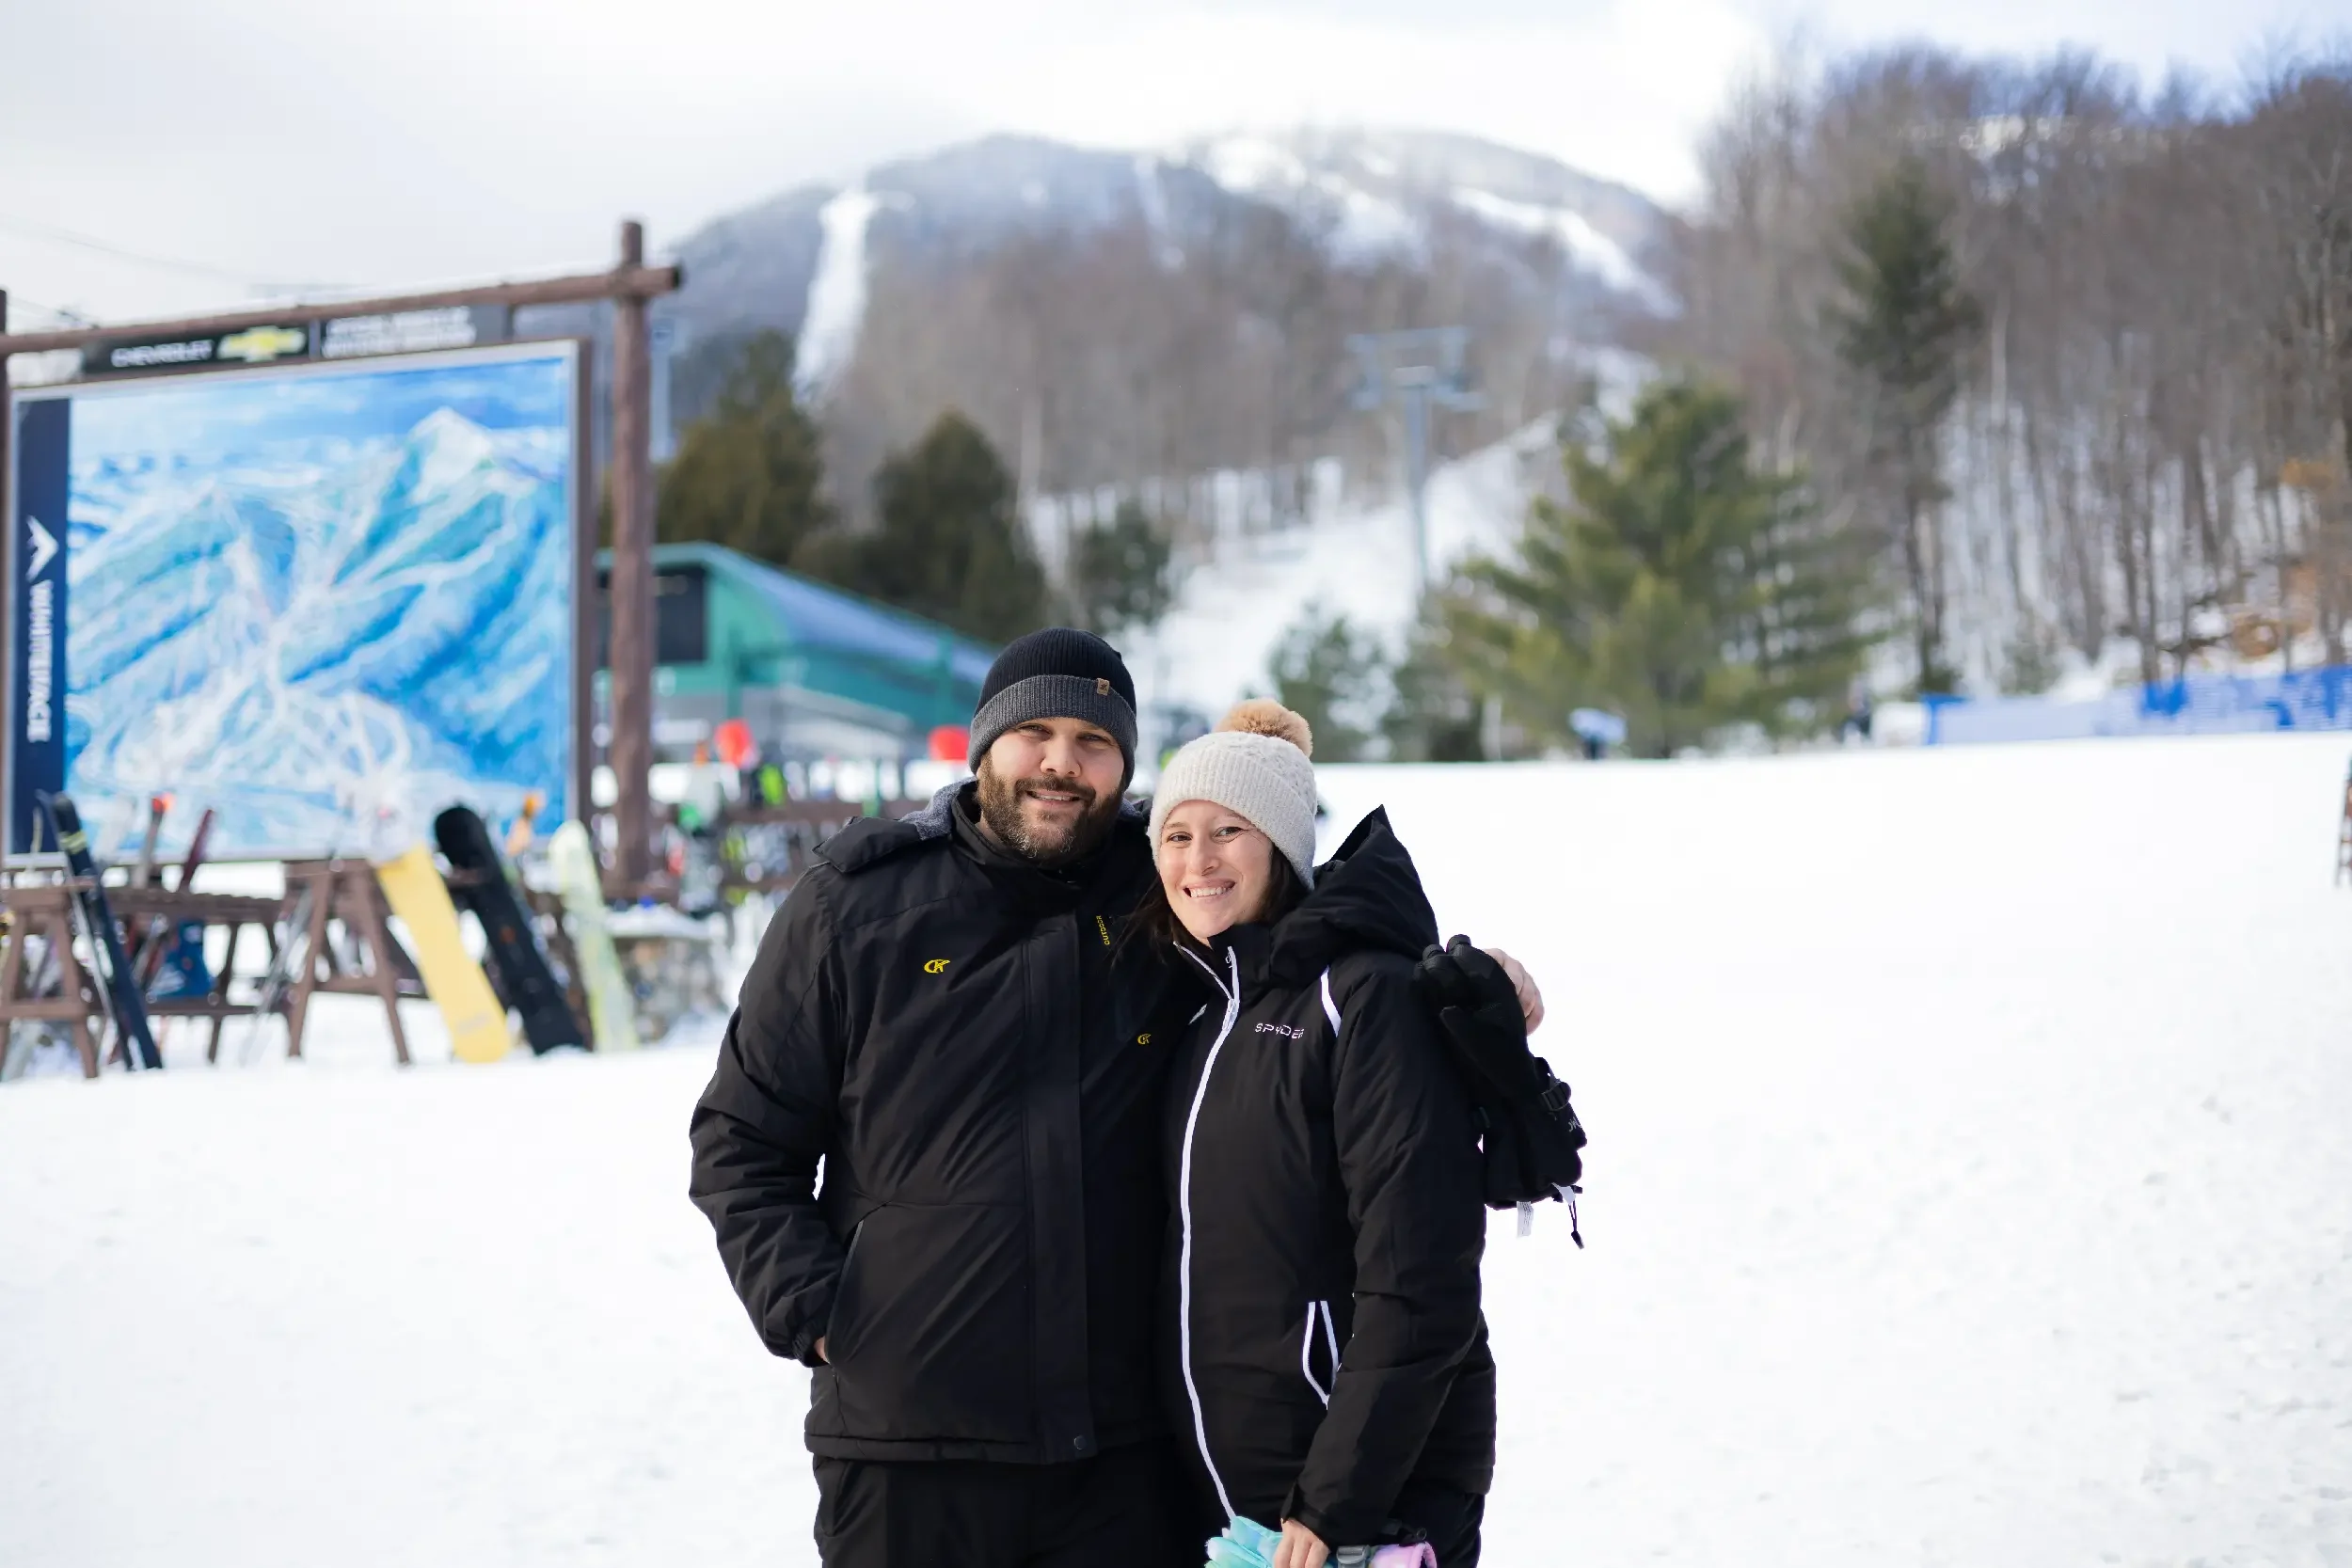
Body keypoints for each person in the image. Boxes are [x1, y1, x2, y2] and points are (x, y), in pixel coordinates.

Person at [689, 629, 1534, 1567]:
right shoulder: (858, 907)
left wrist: (1467, 977)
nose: (1061, 762)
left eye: (1094, 741)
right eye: (1034, 732)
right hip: (907, 1448)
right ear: (984, 747)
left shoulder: (1166, 884)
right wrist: (816, 1310)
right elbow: (740, 1138)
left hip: (1127, 1459)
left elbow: (1309, 926)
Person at [1145, 699, 1496, 1568]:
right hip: (1248, 1522)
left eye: (1228, 829)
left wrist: (1338, 1503)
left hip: (1351, 1522)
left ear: (1284, 845)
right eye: (1176, 835)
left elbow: (1420, 1280)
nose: (1198, 860)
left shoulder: (1365, 999)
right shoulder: (1207, 1008)